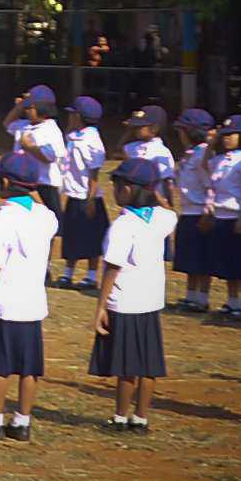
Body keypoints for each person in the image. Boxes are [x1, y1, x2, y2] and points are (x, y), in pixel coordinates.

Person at [0, 154, 58, 441]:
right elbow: (47, 216)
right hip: (32, 303)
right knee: (28, 366)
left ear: (5, 182)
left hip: (3, 302)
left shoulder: (1, 219)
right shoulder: (46, 217)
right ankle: (22, 421)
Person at [89, 157, 175, 433]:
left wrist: (100, 306)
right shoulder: (162, 219)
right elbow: (169, 211)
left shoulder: (122, 226)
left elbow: (112, 267)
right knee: (148, 364)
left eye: (116, 185)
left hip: (124, 302)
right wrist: (156, 195)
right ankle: (141, 418)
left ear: (126, 189)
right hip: (150, 301)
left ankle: (120, 416)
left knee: (126, 366)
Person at [202, 115, 241, 320]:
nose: (226, 138)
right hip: (221, 215)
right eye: (224, 135)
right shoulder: (221, 158)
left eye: (232, 134)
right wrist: (211, 143)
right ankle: (232, 302)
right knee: (228, 263)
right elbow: (205, 165)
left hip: (237, 215)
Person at [56, 96, 110, 287]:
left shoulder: (92, 141)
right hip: (74, 195)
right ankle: (68, 273)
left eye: (72, 114)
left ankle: (91, 276)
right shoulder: (75, 136)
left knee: (91, 238)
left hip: (87, 196)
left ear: (78, 116)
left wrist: (90, 200)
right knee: (72, 236)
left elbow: (94, 175)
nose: (69, 117)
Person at [170, 108, 218, 309]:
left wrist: (208, 213)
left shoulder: (204, 156)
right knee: (190, 258)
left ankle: (202, 299)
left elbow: (211, 186)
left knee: (203, 259)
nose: (179, 135)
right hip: (188, 212)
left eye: (182, 130)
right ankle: (191, 296)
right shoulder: (191, 154)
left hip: (200, 213)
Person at [3, 86, 67, 214]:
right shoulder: (24, 125)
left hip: (44, 184)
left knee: (49, 219)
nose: (26, 111)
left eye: (29, 107)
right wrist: (20, 106)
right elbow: (7, 123)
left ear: (42, 108)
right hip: (24, 182)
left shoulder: (50, 130)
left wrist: (30, 147)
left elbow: (49, 156)